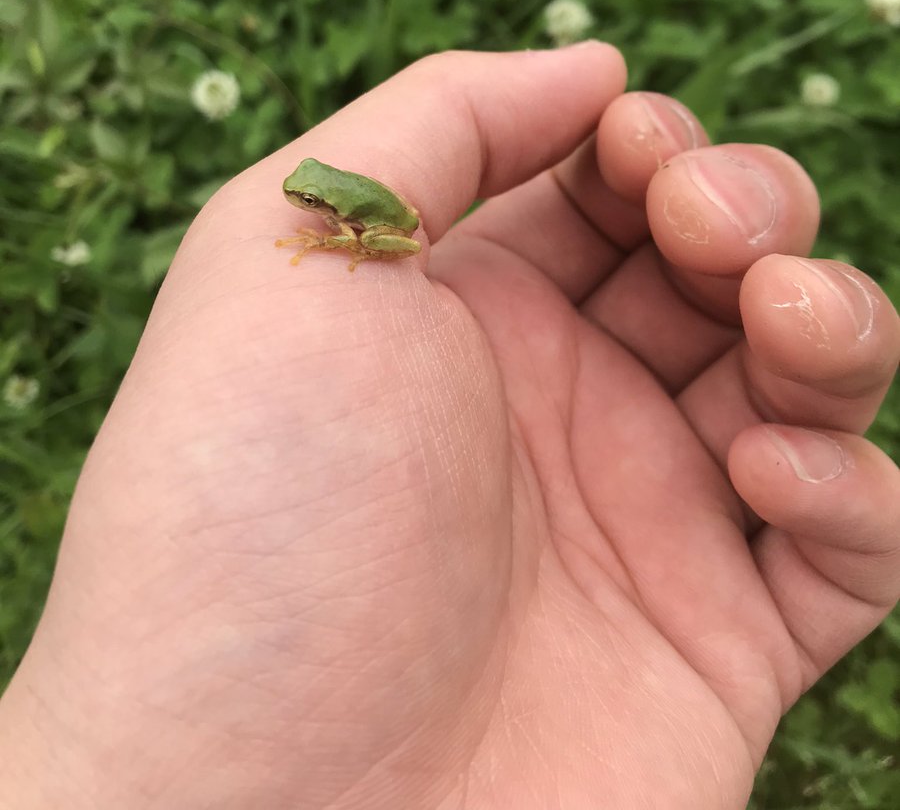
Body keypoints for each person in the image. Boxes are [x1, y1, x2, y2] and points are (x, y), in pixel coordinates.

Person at [0, 45, 897, 810]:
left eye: (307, 206)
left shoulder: (350, 215)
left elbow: (389, 225)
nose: (299, 209)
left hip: (391, 233)